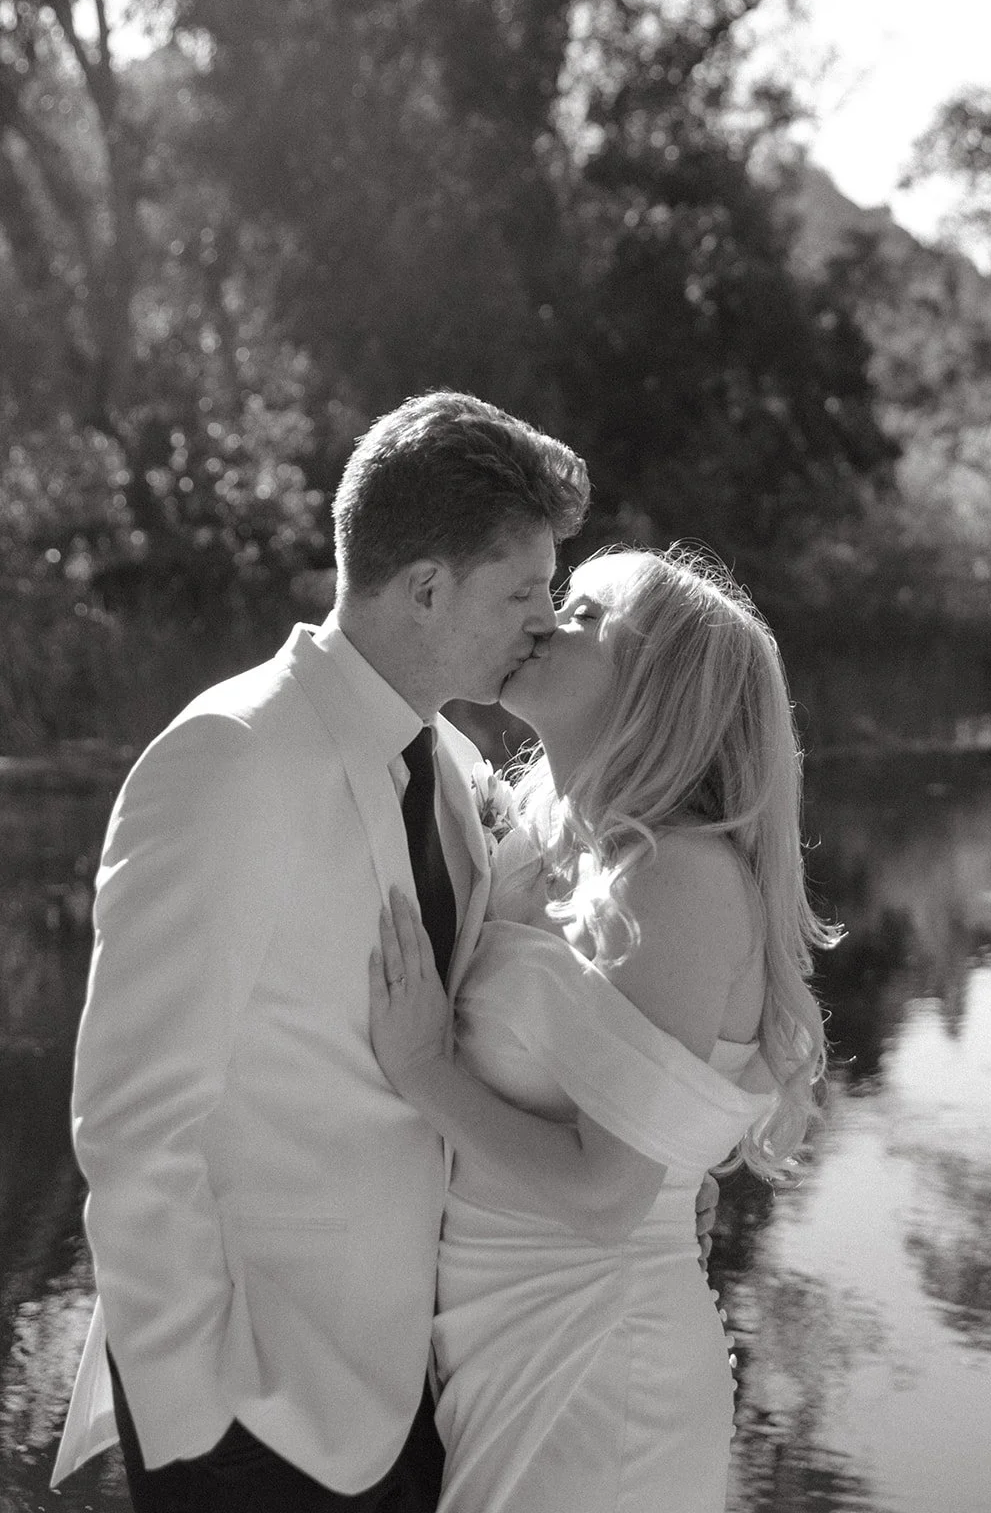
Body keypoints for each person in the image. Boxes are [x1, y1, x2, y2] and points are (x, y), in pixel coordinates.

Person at [50, 390, 589, 1512]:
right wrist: (194, 1422)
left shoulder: (443, 763)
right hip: (252, 1417)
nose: (546, 618)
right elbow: (132, 1118)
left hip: (412, 1400)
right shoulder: (227, 756)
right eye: (524, 590)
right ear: (426, 588)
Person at [368, 545, 839, 1513]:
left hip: (599, 1361)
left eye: (581, 614)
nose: (540, 618)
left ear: (656, 686)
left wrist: (419, 1064)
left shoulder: (681, 876)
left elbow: (603, 1192)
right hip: (490, 1341)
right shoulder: (529, 843)